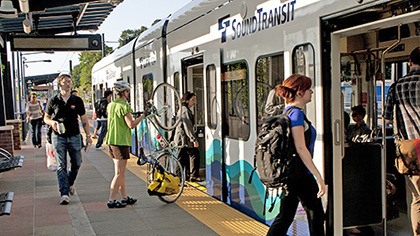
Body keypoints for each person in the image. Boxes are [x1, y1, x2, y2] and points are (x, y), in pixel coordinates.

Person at [267, 74, 325, 236]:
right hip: (300, 175)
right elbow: (301, 147)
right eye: (308, 89)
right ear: (299, 93)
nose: (311, 92)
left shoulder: (288, 111)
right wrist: (318, 176)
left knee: (285, 216)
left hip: (291, 174)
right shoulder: (297, 114)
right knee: (316, 215)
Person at [383, 46, 420, 236]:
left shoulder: (397, 86)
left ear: (410, 63)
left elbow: (387, 118)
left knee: (416, 197)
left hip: (411, 149)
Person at [44, 74, 92, 205]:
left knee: (77, 163)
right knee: (61, 165)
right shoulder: (53, 100)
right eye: (65, 82)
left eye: (69, 82)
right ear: (59, 84)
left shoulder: (77, 100)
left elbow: (84, 119)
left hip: (74, 135)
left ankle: (70, 182)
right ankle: (64, 193)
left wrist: (88, 136)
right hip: (58, 136)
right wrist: (52, 122)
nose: (68, 84)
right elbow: (46, 118)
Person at [105, 81, 145, 208]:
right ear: (125, 92)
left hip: (111, 140)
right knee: (119, 173)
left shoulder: (111, 105)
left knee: (120, 172)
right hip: (121, 141)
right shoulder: (124, 106)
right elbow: (131, 125)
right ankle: (111, 199)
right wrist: (143, 116)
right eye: (127, 91)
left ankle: (124, 197)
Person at [174, 92, 201, 182]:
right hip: (183, 140)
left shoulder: (185, 109)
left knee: (185, 158)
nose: (194, 102)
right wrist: (194, 139)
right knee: (185, 158)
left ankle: (185, 178)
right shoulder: (185, 110)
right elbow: (187, 125)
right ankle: (179, 179)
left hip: (184, 140)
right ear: (186, 101)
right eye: (192, 100)